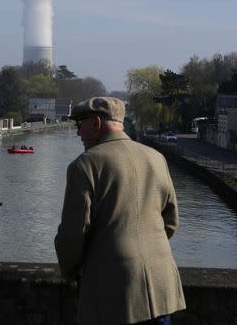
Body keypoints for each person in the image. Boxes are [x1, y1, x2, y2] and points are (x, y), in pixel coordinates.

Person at [55, 96, 186, 325]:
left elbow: (73, 235)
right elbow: (171, 221)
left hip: (114, 293)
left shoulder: (84, 166)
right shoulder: (157, 158)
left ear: (96, 123)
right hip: (161, 286)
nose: (78, 133)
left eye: (80, 125)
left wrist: (69, 270)